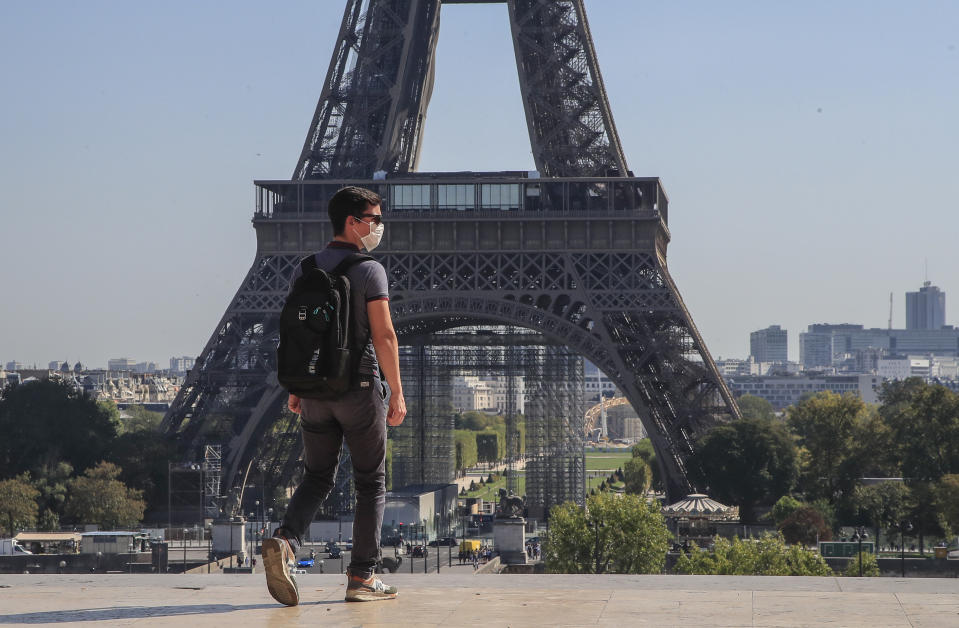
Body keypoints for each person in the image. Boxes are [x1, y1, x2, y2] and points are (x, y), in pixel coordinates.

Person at [262, 186, 407, 606]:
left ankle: (285, 541)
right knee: (371, 483)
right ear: (352, 221)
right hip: (358, 388)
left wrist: (296, 388)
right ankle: (362, 576)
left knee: (317, 475)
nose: (379, 226)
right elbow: (384, 334)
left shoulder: (305, 269)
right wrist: (396, 391)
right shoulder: (369, 270)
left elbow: (297, 335)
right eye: (374, 219)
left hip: (313, 390)